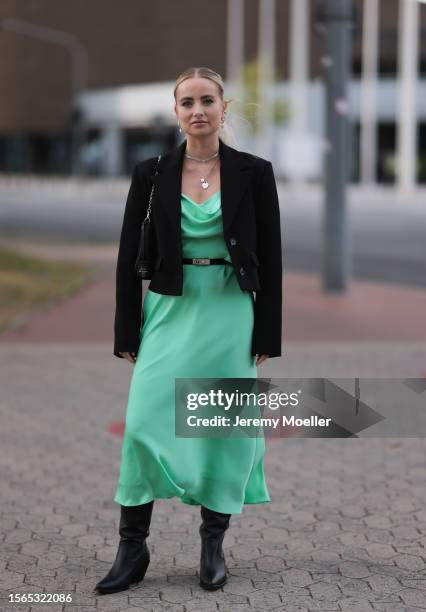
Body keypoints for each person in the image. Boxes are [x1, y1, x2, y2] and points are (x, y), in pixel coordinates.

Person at [95, 66, 282, 595]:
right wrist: (125, 329)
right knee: (142, 425)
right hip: (170, 311)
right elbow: (129, 254)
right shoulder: (150, 173)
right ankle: (133, 547)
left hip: (229, 310)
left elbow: (271, 255)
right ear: (176, 113)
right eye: (186, 102)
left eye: (207, 100)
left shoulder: (254, 171)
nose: (197, 110)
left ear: (224, 108)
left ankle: (213, 543)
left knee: (222, 428)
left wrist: (268, 333)